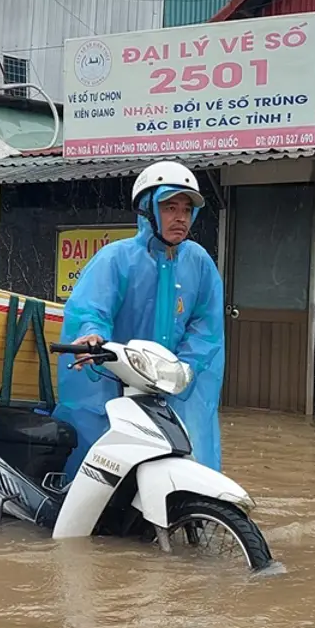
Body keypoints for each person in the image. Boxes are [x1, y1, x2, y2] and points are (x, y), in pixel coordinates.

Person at [51, 160, 225, 483]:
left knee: (190, 450)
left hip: (169, 382)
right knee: (95, 452)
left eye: (187, 209)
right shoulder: (116, 259)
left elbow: (206, 328)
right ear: (147, 209)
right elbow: (91, 308)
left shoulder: (200, 264)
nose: (181, 217)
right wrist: (91, 336)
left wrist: (184, 368)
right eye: (170, 207)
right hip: (114, 377)